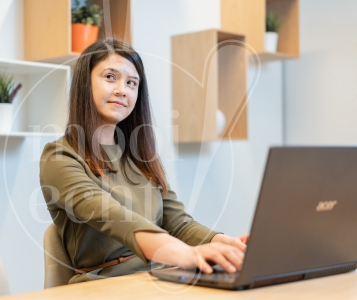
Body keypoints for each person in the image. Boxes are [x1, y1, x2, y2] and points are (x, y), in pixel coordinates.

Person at [40, 38, 249, 284]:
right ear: (84, 84)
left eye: (132, 83)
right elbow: (113, 217)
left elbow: (178, 223)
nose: (122, 89)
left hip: (159, 278)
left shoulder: (141, 156)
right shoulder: (59, 157)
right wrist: (185, 253)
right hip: (105, 286)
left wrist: (227, 245)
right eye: (110, 77)